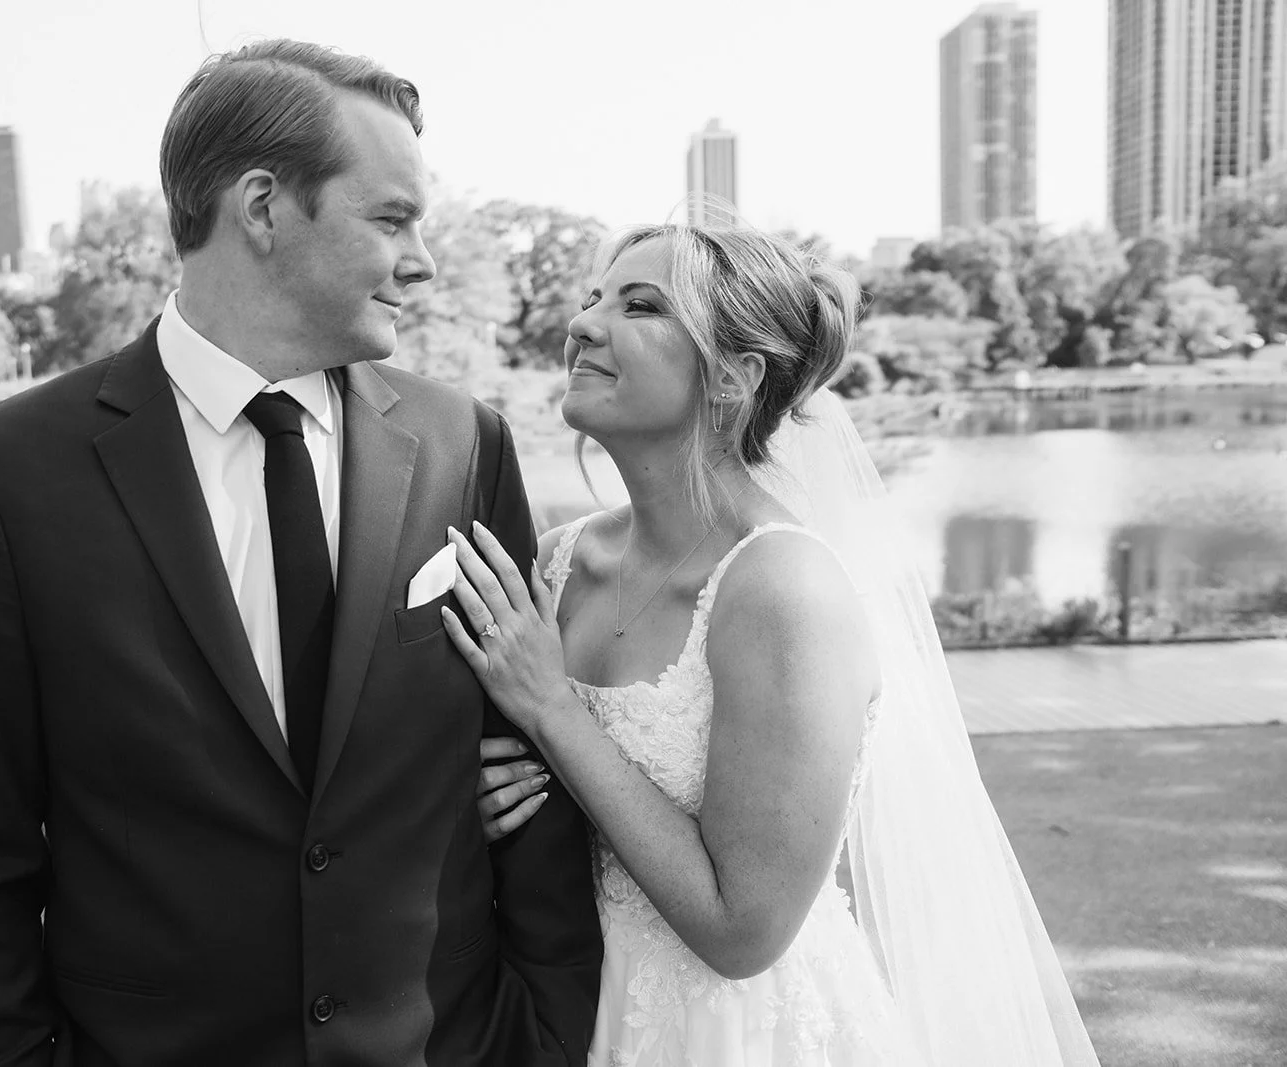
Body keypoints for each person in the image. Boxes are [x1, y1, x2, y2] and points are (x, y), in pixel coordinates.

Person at [0, 39, 601, 1067]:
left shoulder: (464, 443)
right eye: (391, 219)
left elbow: (524, 766)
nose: (424, 262)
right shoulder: (8, 471)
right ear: (263, 208)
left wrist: (542, 1036)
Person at [447, 221, 1102, 1065]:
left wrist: (551, 709)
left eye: (640, 305)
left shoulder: (783, 588)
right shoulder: (563, 558)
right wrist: (487, 802)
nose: (581, 323)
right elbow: (544, 792)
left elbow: (743, 929)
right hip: (569, 1001)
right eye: (590, 298)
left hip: (736, 1031)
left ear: (734, 378)